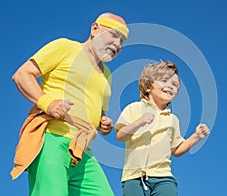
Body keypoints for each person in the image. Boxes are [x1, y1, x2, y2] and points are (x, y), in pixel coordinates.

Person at [11, 12, 129, 196]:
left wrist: (102, 123)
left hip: (82, 150)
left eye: (122, 41)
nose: (118, 44)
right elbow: (22, 75)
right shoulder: (65, 47)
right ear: (95, 29)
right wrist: (48, 103)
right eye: (114, 35)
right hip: (52, 138)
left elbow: (98, 112)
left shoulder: (107, 75)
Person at [115, 61, 210, 196]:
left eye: (175, 85)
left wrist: (196, 136)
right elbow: (121, 135)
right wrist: (139, 122)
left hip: (163, 177)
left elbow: (176, 150)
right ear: (148, 86)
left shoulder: (172, 119)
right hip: (133, 177)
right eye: (164, 81)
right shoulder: (134, 108)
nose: (170, 86)